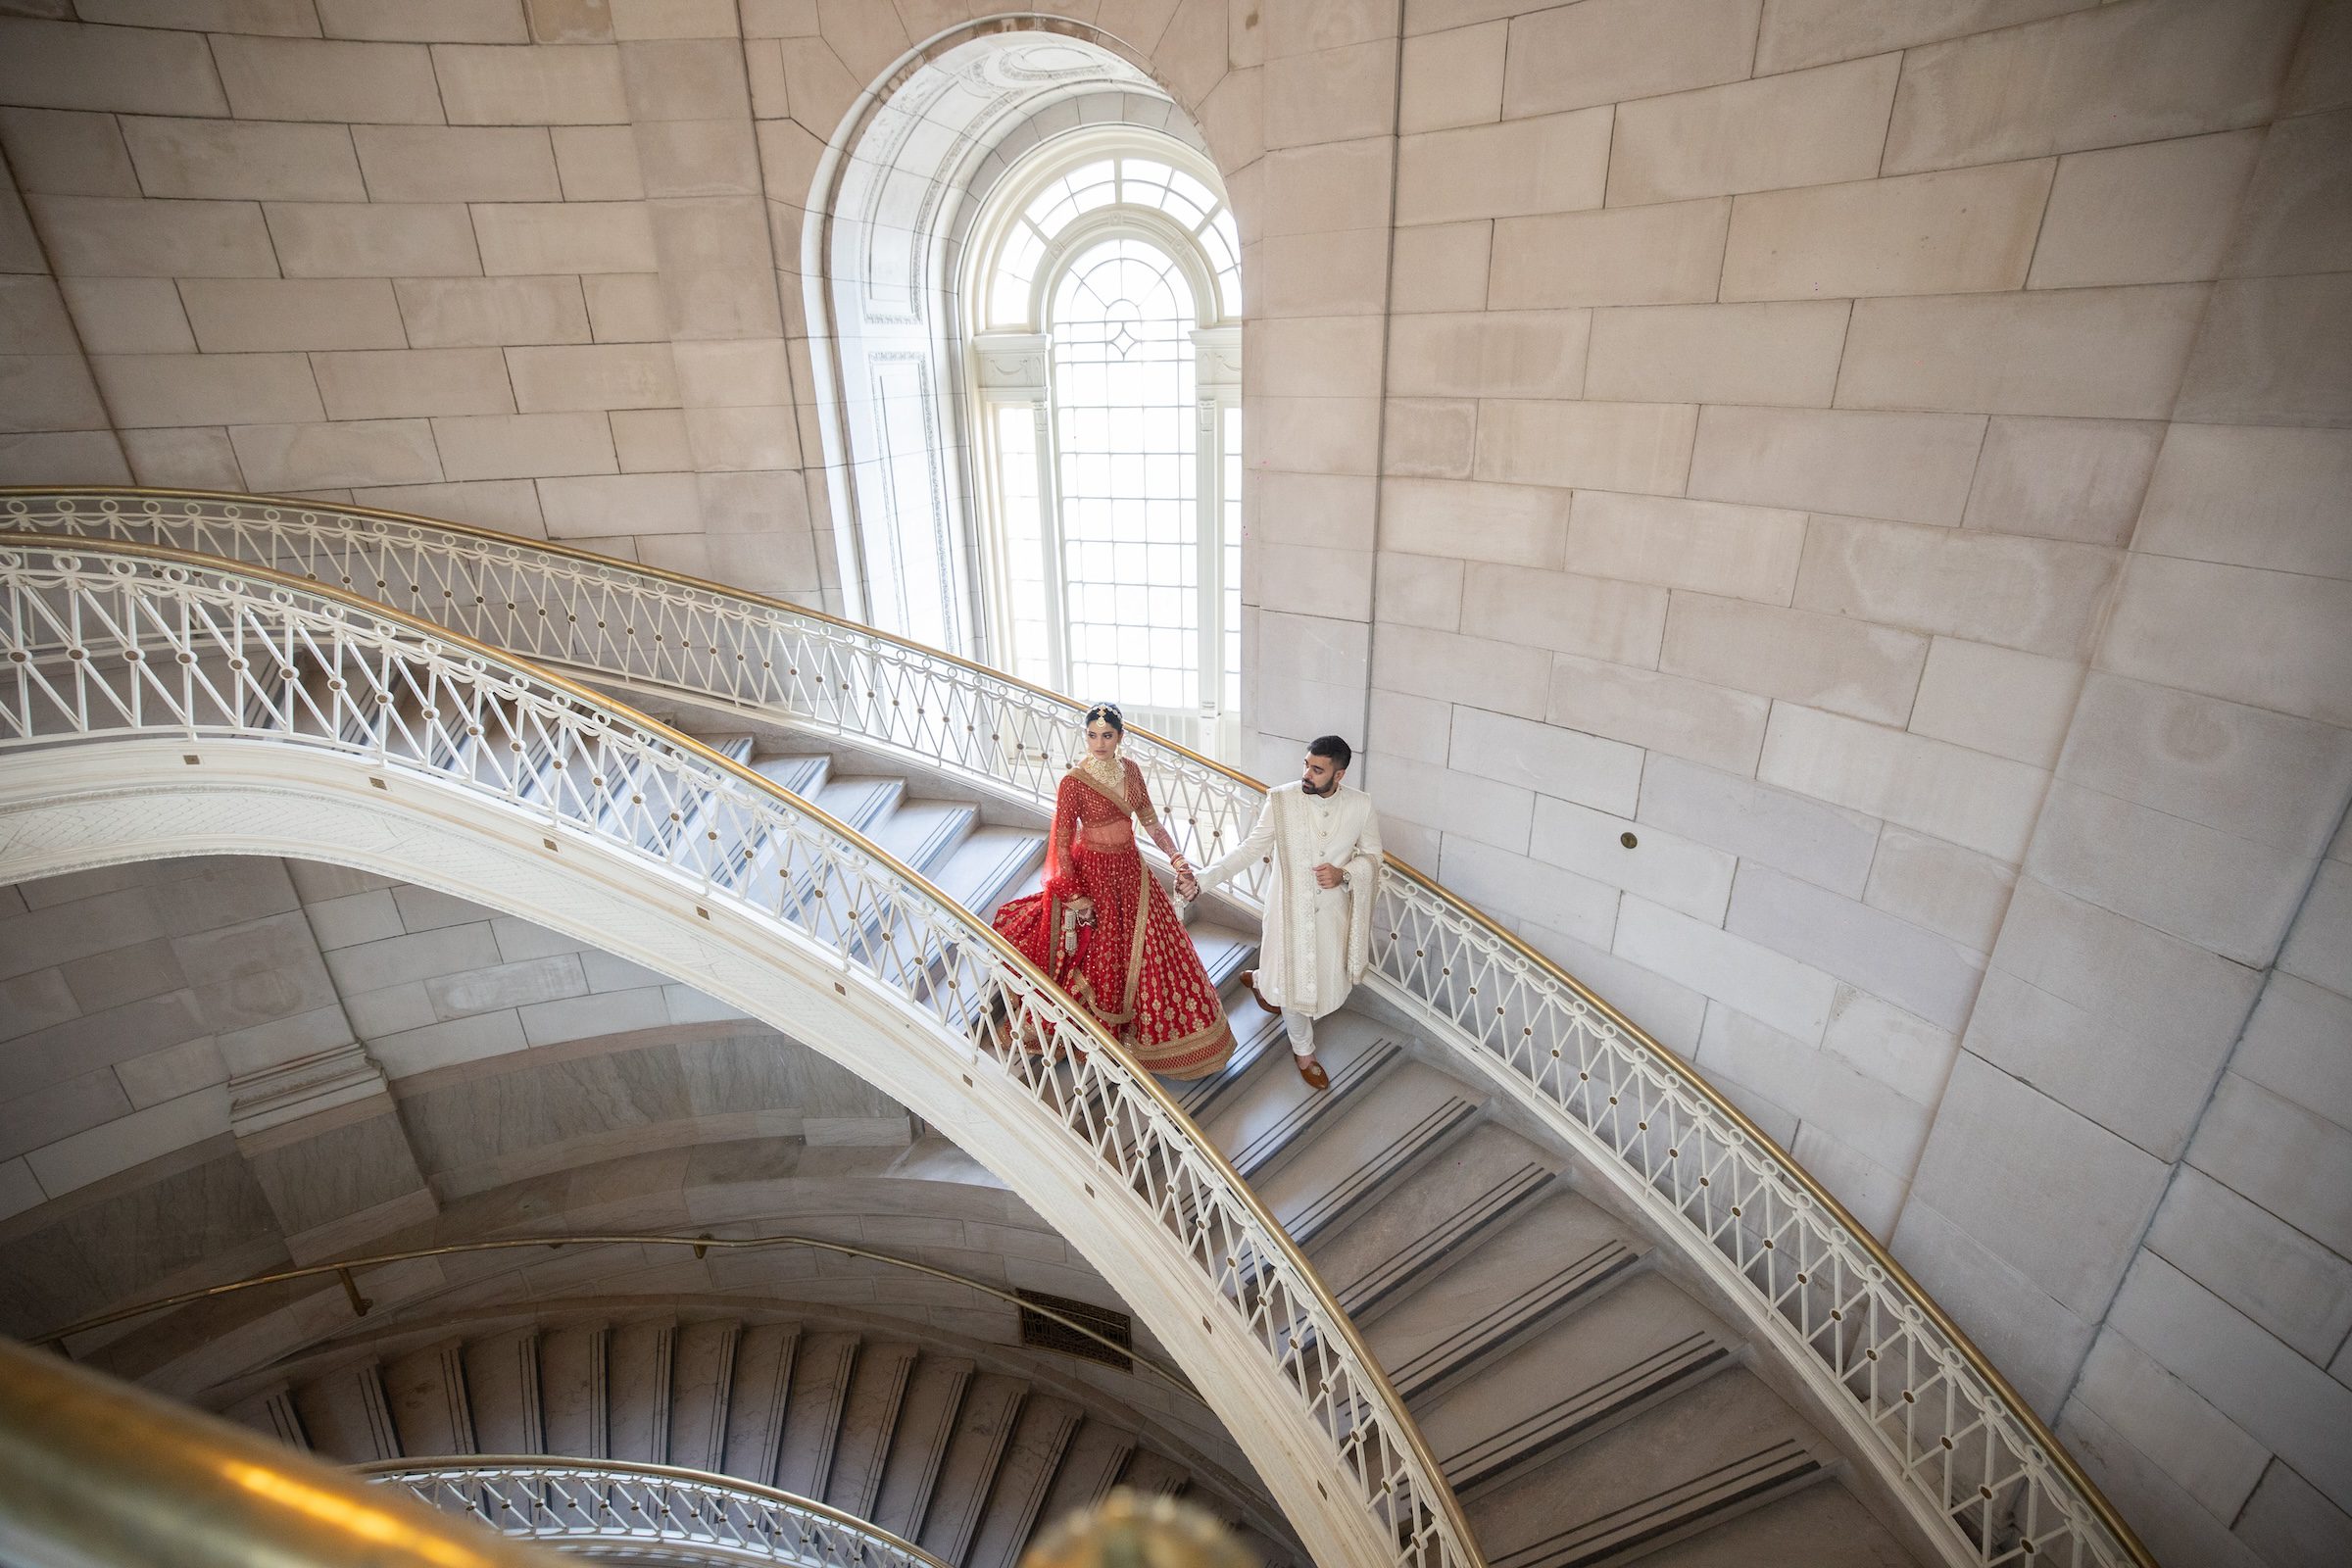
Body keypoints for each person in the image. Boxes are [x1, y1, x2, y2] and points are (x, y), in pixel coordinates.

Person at [991, 703, 1235, 1080]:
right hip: (1093, 874)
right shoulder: (1074, 782)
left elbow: (1151, 823)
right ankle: (1098, 1030)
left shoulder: (1131, 771)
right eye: (1092, 735)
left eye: (1107, 736)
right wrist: (1075, 895)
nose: (1099, 743)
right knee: (1101, 952)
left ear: (1120, 736)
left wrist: (1178, 860)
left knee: (1153, 949)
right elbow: (1061, 843)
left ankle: (1161, 1041)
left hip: (1131, 872)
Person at [1191, 735, 1382, 1092]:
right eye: (1306, 764)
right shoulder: (1282, 800)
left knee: (1316, 976)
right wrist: (1202, 880)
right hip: (1288, 913)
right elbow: (1249, 850)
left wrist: (1344, 874)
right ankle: (1304, 1052)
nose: (1307, 773)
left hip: (1331, 915)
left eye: (1317, 769)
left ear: (1339, 775)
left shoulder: (1361, 805)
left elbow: (1374, 857)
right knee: (1295, 984)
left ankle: (1260, 981)